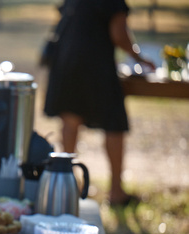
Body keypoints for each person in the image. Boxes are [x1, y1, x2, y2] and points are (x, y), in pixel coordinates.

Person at [43, 0, 155, 206]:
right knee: (114, 124)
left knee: (70, 120)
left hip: (65, 62)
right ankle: (116, 192)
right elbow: (119, 34)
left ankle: (68, 186)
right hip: (94, 65)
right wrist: (138, 57)